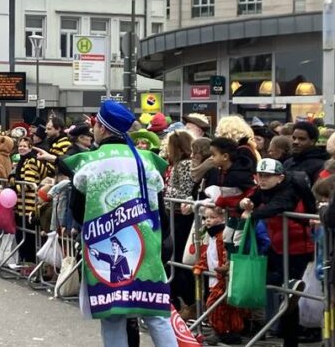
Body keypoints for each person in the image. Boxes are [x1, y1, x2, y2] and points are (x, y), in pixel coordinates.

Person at [37, 101, 175, 347]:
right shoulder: (147, 161)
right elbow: (161, 212)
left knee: (112, 317)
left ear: (101, 127)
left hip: (103, 248)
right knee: (156, 315)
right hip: (147, 248)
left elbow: (77, 211)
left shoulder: (88, 162)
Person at [240, 158, 316, 347]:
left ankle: (290, 342)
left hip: (298, 248)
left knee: (290, 294)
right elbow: (252, 199)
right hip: (277, 245)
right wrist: (245, 202)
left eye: (267, 176)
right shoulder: (263, 189)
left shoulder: (290, 190)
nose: (262, 179)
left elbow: (279, 206)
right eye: (259, 175)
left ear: (280, 177)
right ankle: (283, 332)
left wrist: (253, 214)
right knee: (280, 288)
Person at [192, 206, 246, 345]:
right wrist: (200, 265)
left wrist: (224, 274)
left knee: (215, 306)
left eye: (212, 217)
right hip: (214, 278)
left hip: (222, 278)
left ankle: (223, 331)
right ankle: (225, 332)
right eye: (205, 218)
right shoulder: (212, 236)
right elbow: (208, 255)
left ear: (222, 218)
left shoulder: (222, 236)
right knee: (222, 307)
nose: (208, 221)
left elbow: (223, 257)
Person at [163, 130, 196, 310]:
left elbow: (185, 192)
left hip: (181, 217)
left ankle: (189, 301)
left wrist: (165, 192)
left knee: (179, 260)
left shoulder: (184, 165)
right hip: (174, 215)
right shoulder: (177, 164)